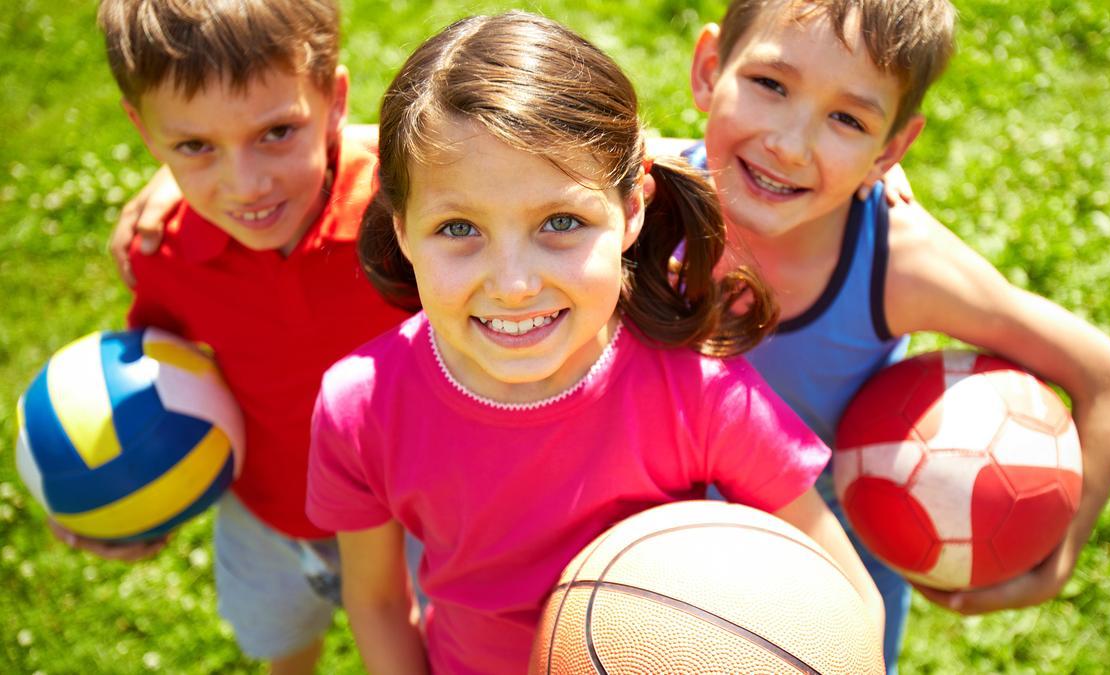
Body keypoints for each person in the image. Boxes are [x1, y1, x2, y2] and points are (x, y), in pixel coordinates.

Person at [304, 11, 885, 674]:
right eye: (459, 228)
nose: (515, 284)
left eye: (561, 221)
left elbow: (847, 589)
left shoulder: (697, 392)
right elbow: (377, 600)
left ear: (632, 208)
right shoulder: (362, 406)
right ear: (403, 229)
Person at [676, 0, 1110, 671]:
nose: (789, 142)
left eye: (847, 119)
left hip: (828, 564)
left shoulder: (896, 262)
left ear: (890, 149)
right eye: (771, 85)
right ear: (708, 68)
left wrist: (1056, 558)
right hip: (655, 543)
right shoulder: (643, 199)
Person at [61, 2, 413, 672]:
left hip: (415, 511)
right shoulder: (163, 251)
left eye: (277, 131)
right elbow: (168, 389)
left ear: (335, 99)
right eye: (195, 147)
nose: (245, 185)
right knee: (281, 647)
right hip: (264, 515)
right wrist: (114, 497)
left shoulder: (406, 215)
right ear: (144, 133)